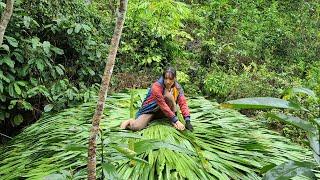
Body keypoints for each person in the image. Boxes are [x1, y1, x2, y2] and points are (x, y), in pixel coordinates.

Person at [120, 67, 193, 131]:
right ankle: (130, 121)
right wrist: (176, 121)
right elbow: (163, 105)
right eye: (166, 78)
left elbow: (183, 103)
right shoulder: (156, 87)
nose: (168, 82)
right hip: (151, 110)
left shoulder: (177, 87)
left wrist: (187, 120)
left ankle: (171, 120)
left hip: (166, 113)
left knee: (169, 97)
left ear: (174, 78)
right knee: (136, 127)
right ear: (163, 77)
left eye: (170, 79)